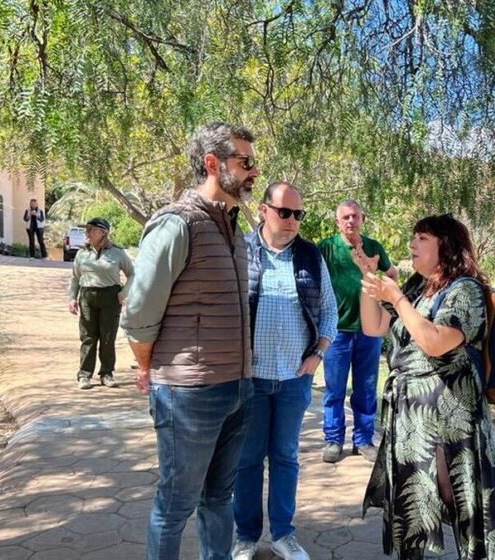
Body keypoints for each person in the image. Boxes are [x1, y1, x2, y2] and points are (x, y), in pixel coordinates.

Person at [120, 122, 259, 560]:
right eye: (245, 161)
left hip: (238, 388)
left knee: (219, 498)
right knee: (175, 505)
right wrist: (146, 367)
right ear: (212, 164)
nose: (254, 171)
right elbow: (139, 313)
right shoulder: (176, 224)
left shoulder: (234, 229)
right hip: (188, 393)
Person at [355, 214, 495, 559]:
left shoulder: (465, 290)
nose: (412, 244)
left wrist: (397, 298)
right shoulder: (417, 287)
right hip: (412, 418)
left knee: (463, 504)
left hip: (450, 421)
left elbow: (434, 341)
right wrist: (369, 280)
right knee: (412, 506)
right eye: (413, 237)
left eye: (422, 239)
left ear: (445, 246)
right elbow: (373, 327)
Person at [231, 182, 338, 560]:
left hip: (295, 378)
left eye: (298, 214)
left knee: (286, 457)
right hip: (252, 378)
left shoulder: (310, 256)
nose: (293, 221)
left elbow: (329, 310)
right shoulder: (240, 250)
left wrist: (319, 354)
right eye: (285, 212)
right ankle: (245, 537)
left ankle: (283, 535)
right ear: (263, 211)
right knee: (247, 459)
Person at [318, 199, 397, 463]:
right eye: (346, 217)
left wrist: (385, 300)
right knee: (335, 388)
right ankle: (333, 439)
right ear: (337, 222)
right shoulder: (326, 248)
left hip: (369, 331)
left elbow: (392, 274)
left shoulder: (374, 247)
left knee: (365, 387)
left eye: (355, 216)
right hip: (336, 330)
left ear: (362, 218)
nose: (351, 221)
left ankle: (363, 440)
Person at [67, 217, 134, 390]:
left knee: (107, 337)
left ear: (103, 232)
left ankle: (106, 374)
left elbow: (133, 274)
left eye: (91, 229)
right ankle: (84, 375)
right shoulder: (82, 253)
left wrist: (123, 293)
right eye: (86, 230)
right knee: (88, 337)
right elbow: (75, 278)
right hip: (87, 296)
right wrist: (72, 298)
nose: (87, 233)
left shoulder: (117, 253)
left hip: (110, 297)